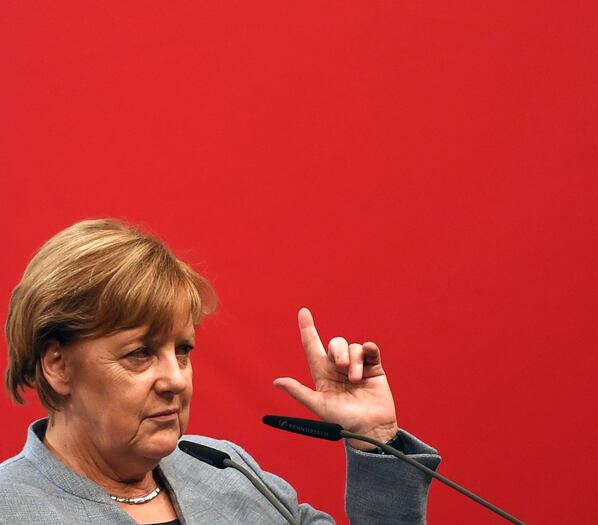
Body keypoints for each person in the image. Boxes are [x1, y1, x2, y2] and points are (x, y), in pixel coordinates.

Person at [0, 219, 440, 524]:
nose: (176, 379)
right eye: (139, 354)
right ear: (57, 365)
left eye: (183, 350)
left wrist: (376, 437)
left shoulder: (228, 472)